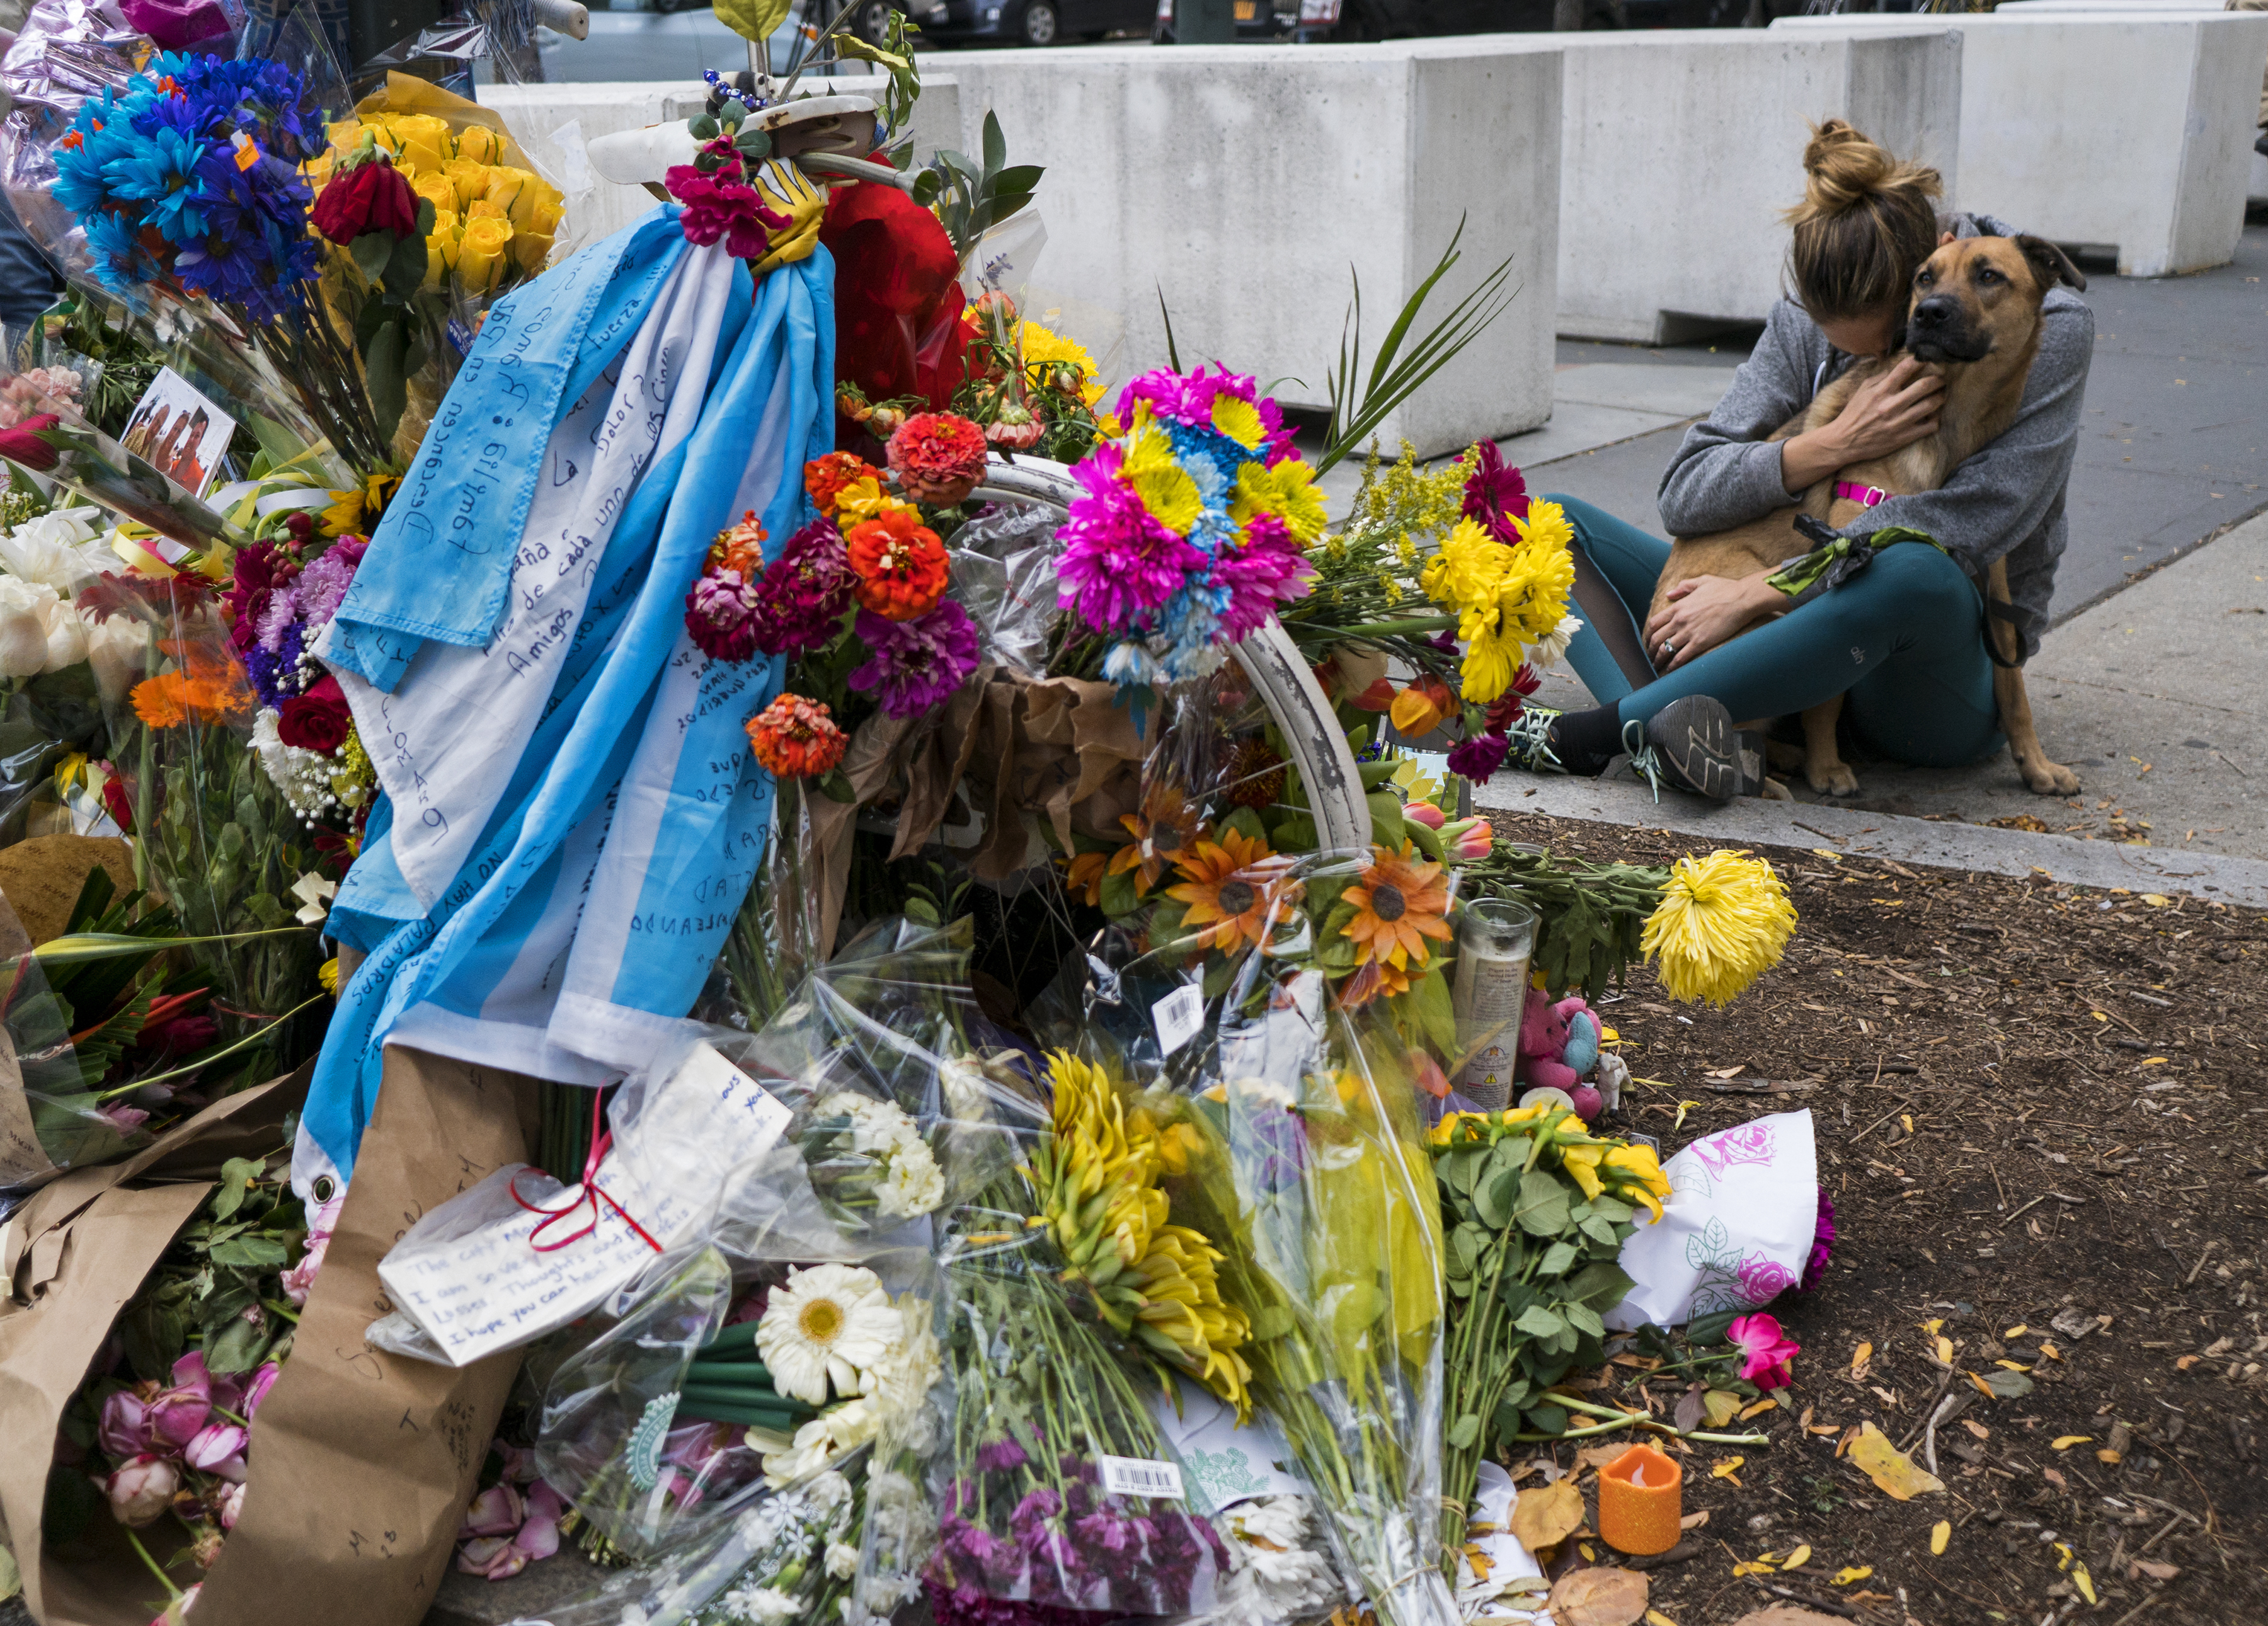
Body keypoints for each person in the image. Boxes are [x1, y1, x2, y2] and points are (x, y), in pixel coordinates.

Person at [1502, 120, 2093, 799]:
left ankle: (1607, 733)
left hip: (1922, 682)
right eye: (1836, 342)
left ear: (1933, 260)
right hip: (1790, 646)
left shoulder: (2047, 323)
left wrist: (1759, 592)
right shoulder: (1804, 318)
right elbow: (1685, 492)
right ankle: (1680, 734)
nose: (1887, 357)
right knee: (1541, 524)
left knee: (1907, 557)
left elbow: (1974, 521)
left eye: (1884, 343)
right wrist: (1831, 446)